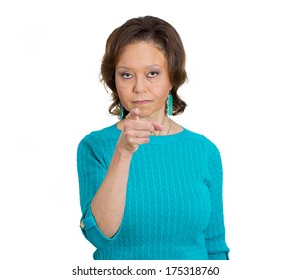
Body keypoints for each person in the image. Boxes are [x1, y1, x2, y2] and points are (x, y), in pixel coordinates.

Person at [77, 15, 230, 260]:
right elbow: (99, 235)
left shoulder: (204, 150)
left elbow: (215, 246)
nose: (139, 87)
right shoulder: (95, 147)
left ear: (172, 77)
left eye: (153, 73)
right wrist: (123, 152)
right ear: (114, 80)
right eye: (126, 75)